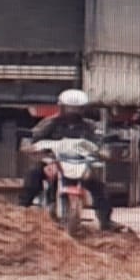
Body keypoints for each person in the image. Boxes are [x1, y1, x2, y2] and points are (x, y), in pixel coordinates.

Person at [18, 88, 117, 231]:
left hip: (80, 163)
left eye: (77, 108)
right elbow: (33, 137)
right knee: (34, 174)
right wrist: (32, 148)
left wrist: (103, 151)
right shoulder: (49, 123)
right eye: (70, 108)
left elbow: (99, 142)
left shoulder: (90, 126)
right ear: (62, 107)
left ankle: (106, 221)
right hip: (53, 161)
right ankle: (22, 211)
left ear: (83, 109)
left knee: (99, 186)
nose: (73, 112)